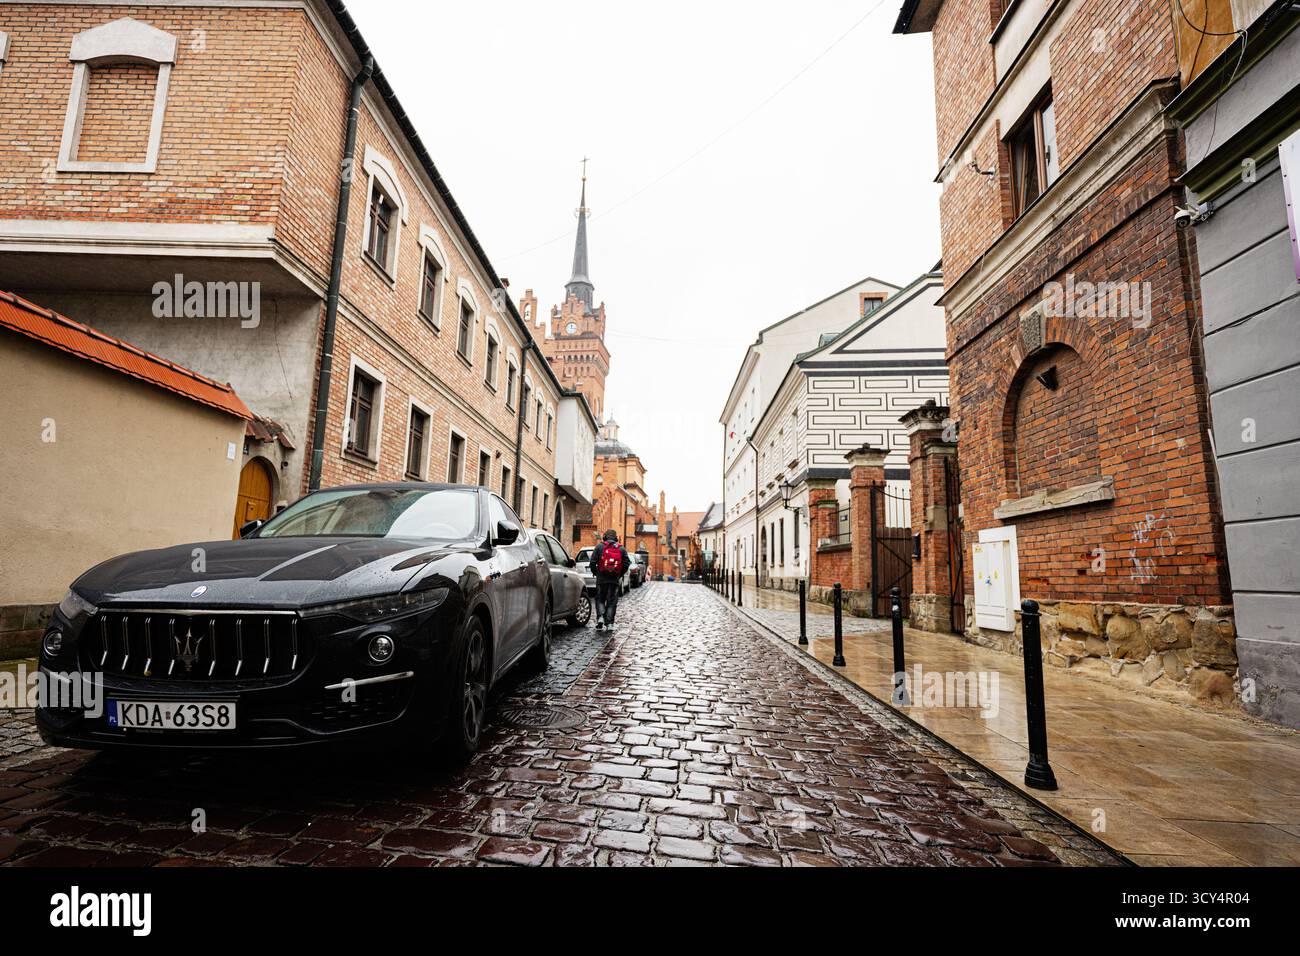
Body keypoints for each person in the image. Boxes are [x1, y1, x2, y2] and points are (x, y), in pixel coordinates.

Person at [589, 529, 630, 632]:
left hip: (601, 579)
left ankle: (600, 618)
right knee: (612, 601)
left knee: (600, 599)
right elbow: (626, 564)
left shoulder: (599, 547)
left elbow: (592, 562)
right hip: (614, 580)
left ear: (605, 537)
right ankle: (610, 624)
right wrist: (619, 574)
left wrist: (596, 573)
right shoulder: (621, 549)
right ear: (616, 538)